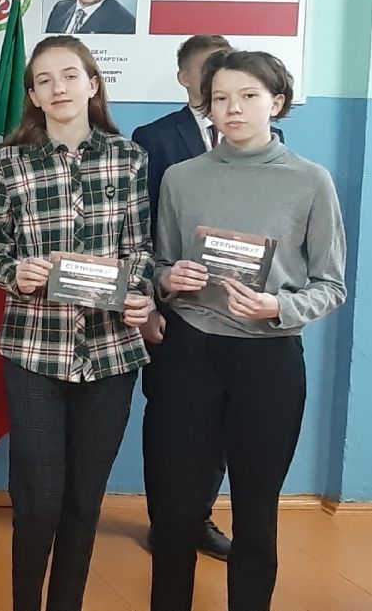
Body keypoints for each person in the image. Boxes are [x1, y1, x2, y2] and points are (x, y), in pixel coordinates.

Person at [146, 51, 345, 611]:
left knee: (256, 508)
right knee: (175, 509)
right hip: (189, 354)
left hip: (268, 361)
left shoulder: (310, 181)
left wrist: (277, 307)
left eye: (248, 96)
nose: (232, 108)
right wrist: (168, 279)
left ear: (276, 103)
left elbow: (331, 285)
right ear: (206, 106)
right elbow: (158, 264)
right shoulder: (182, 178)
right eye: (220, 98)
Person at [0, 35, 154, 611]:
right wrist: (16, 272)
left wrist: (136, 291)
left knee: (84, 503)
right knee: (37, 501)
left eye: (69, 76)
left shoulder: (129, 158)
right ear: (32, 95)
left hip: (111, 353)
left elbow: (141, 249)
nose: (58, 88)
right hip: (34, 348)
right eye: (44, 80)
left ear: (92, 83)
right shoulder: (8, 163)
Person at [132, 34, 266, 561]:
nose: (219, 81)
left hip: (240, 310)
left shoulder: (265, 138)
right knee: (171, 421)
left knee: (226, 420)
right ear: (185, 78)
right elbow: (142, 231)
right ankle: (166, 521)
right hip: (175, 307)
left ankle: (199, 517)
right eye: (208, 70)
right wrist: (149, 301)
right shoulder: (153, 138)